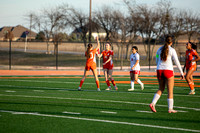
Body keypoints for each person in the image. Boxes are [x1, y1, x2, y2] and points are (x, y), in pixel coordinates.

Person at [149, 35, 184, 113]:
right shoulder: (172, 50)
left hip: (159, 70)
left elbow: (157, 58)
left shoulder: (159, 49)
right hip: (168, 70)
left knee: (161, 88)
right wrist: (181, 72)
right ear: (171, 42)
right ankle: (170, 109)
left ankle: (153, 103)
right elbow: (176, 61)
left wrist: (158, 66)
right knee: (170, 91)